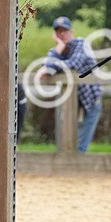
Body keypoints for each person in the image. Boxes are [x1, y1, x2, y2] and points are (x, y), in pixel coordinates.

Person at [41, 16, 103, 153]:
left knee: (81, 145)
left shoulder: (81, 43)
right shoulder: (58, 50)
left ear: (71, 32)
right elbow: (45, 64)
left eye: (65, 30)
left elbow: (73, 64)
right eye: (58, 31)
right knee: (66, 141)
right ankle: (66, 170)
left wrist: (51, 66)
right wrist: (60, 47)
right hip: (71, 101)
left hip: (90, 99)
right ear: (55, 34)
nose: (62, 34)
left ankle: (79, 171)